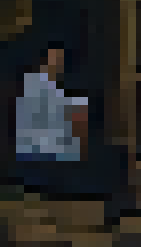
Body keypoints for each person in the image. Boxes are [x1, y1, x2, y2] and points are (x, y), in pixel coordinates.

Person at [15, 43, 88, 197]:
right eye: (54, 58)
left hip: (50, 152)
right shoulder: (34, 83)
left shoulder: (55, 86)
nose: (57, 63)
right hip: (39, 153)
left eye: (60, 59)